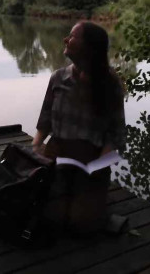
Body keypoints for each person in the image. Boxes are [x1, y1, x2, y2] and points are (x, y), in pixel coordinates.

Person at [32, 21, 126, 235]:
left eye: (72, 36)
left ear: (89, 48)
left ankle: (92, 201)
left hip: (91, 163)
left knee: (82, 226)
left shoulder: (110, 85)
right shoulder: (58, 78)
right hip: (56, 158)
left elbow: (116, 136)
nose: (65, 39)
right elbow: (44, 120)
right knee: (51, 219)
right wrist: (36, 148)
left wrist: (98, 166)